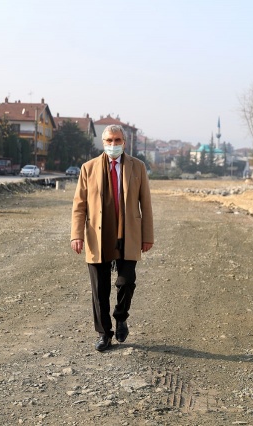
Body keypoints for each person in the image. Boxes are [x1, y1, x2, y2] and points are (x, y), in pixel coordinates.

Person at [70, 124, 154, 351]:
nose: (113, 144)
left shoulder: (137, 167)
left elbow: (145, 204)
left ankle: (121, 316)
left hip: (128, 234)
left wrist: (147, 235)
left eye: (117, 140)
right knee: (100, 290)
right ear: (103, 142)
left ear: (124, 142)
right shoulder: (88, 168)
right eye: (109, 140)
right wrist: (76, 235)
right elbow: (79, 205)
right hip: (98, 235)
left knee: (126, 282)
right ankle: (104, 334)